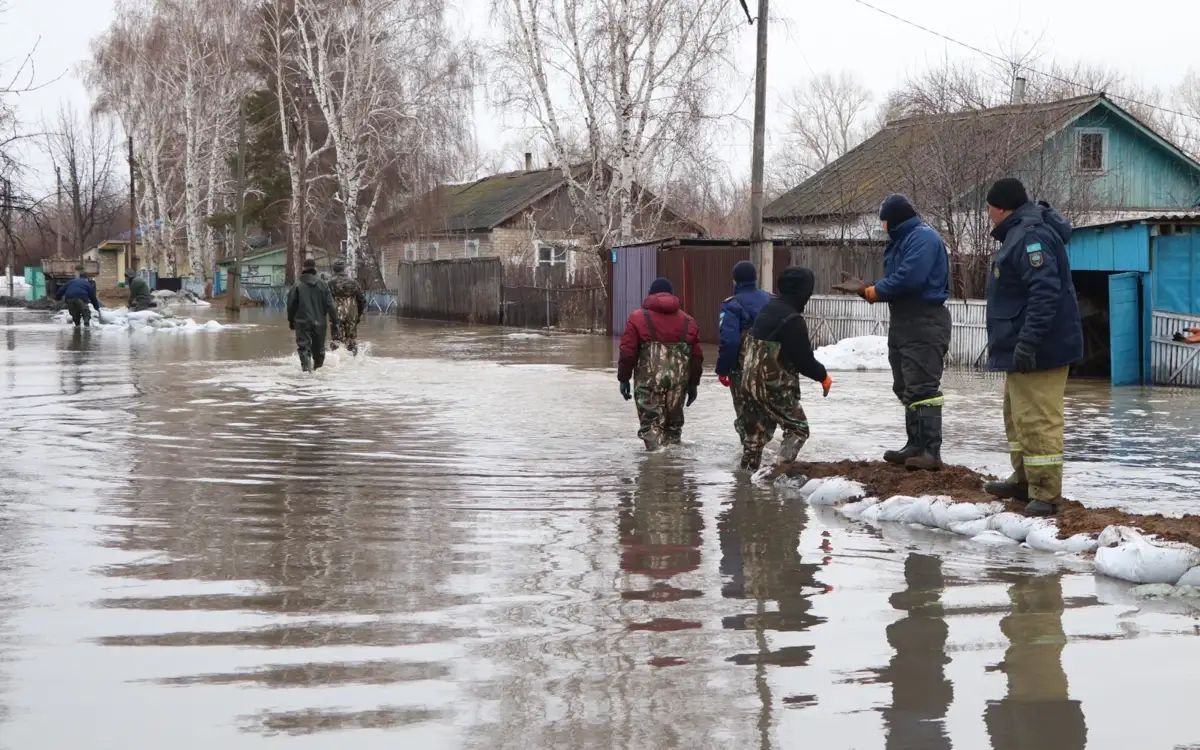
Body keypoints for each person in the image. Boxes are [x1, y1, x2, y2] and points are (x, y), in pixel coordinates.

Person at [982, 178, 1083, 518]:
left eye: (988, 207)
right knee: (1016, 417)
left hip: (1040, 349)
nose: (987, 214)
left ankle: (1046, 492)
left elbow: (1044, 292)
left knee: (1038, 419)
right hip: (1021, 348)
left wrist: (1028, 341)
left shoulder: (1029, 237)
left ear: (1000, 207)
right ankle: (1024, 481)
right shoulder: (1019, 233)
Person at [834, 194, 951, 471]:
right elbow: (897, 279)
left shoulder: (922, 238)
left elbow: (911, 278)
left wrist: (873, 291)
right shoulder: (902, 241)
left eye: (884, 221)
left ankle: (930, 451)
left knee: (923, 387)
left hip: (925, 319)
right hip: (903, 320)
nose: (882, 227)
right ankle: (915, 444)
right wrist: (868, 289)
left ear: (894, 220)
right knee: (905, 385)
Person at [737, 266, 832, 471]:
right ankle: (778, 471)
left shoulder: (768, 309)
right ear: (803, 292)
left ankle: (744, 485)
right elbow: (803, 360)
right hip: (772, 383)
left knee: (754, 437)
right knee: (798, 429)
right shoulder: (792, 320)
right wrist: (823, 376)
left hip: (748, 382)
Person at [617, 277, 703, 450]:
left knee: (651, 430)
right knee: (673, 431)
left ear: (650, 295)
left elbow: (627, 352)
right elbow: (696, 357)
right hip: (678, 385)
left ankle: (654, 471)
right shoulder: (688, 321)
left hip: (649, 384)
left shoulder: (637, 318)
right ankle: (674, 472)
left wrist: (623, 378)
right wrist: (693, 384)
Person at [716, 260, 772, 450]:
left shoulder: (732, 305)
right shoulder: (772, 300)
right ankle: (769, 452)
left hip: (744, 370)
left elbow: (729, 342)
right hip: (772, 368)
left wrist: (723, 370)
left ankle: (750, 459)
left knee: (746, 414)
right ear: (755, 278)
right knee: (768, 411)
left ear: (734, 280)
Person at [286, 258, 339, 373]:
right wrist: (335, 322)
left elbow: (290, 305)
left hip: (302, 322)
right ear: (315, 269)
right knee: (319, 350)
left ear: (303, 269)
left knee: (304, 348)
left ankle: (307, 374)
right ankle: (317, 372)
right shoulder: (323, 285)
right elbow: (331, 305)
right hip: (320, 323)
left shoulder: (297, 285)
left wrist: (291, 321)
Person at [327, 259, 366, 354]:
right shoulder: (353, 282)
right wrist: (358, 315)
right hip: (351, 313)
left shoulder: (329, 283)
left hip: (336, 313)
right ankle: (353, 363)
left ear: (334, 269)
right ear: (344, 269)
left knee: (336, 341)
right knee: (351, 341)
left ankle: (337, 364)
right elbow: (362, 300)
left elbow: (325, 300)